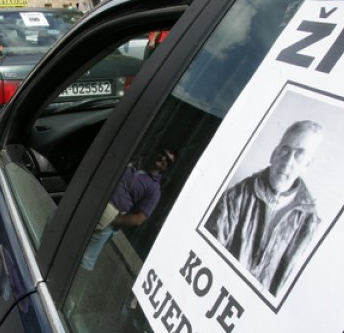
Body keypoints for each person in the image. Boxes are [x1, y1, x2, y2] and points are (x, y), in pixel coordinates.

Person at [205, 120, 324, 296]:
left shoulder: (310, 221)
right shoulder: (235, 197)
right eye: (285, 150)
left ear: (307, 165)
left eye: (299, 155)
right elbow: (208, 255)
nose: (287, 161)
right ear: (273, 154)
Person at [81, 145, 176, 271]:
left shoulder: (154, 189)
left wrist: (114, 220)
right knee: (68, 229)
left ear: (167, 168)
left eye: (168, 160)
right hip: (94, 198)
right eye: (163, 153)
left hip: (109, 215)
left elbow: (140, 218)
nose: (163, 158)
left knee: (84, 257)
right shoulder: (135, 160)